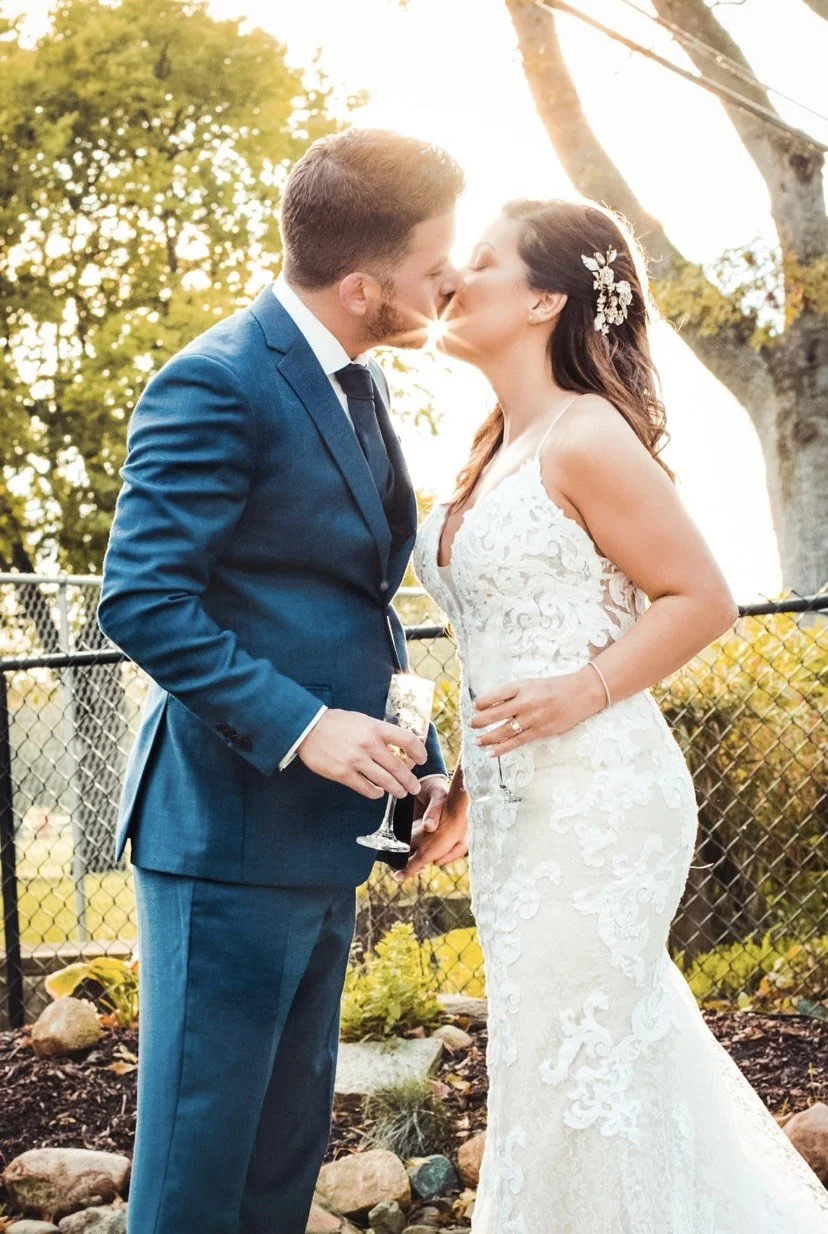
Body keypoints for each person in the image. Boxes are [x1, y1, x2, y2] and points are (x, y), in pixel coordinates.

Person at [405, 197, 828, 1231]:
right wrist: (464, 788)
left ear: (547, 296)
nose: (457, 275)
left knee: (580, 1060)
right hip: (514, 810)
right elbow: (503, 645)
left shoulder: (587, 434)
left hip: (600, 803)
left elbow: (703, 597)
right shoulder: (496, 442)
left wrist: (582, 691)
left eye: (485, 260)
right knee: (570, 1060)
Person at [97, 128, 464, 1234]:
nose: (451, 283)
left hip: (323, 834)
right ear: (364, 284)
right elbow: (142, 598)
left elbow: (349, 602)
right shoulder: (213, 382)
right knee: (198, 1167)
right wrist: (303, 726)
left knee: (280, 1162)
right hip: (223, 838)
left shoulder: (356, 384)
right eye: (435, 265)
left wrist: (421, 772)